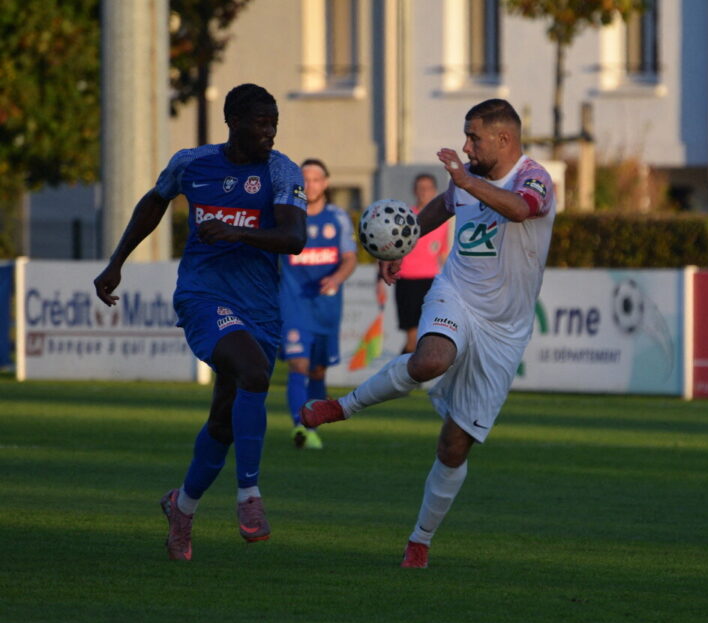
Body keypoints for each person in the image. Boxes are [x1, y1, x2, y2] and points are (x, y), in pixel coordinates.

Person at [300, 98, 556, 568]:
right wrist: (403, 243)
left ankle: (420, 539)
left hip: (504, 330)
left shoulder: (533, 177)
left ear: (504, 138)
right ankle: (342, 406)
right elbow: (443, 205)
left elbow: (522, 209)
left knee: (453, 445)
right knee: (430, 359)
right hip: (456, 293)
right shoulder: (468, 179)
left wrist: (467, 181)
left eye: (474, 137)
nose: (466, 146)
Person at [93, 84, 308, 561]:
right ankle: (249, 495)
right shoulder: (192, 163)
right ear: (232, 122)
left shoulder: (281, 171)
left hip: (260, 308)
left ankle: (182, 507)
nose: (270, 132)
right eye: (260, 124)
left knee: (223, 421)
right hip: (203, 297)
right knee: (254, 372)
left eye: (274, 123)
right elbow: (155, 201)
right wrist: (116, 261)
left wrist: (237, 232)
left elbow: (294, 237)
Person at [280, 159, 357, 450]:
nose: (310, 185)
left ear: (325, 184)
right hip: (293, 304)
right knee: (298, 364)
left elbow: (350, 258)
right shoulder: (286, 215)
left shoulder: (337, 218)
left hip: (326, 307)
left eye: (316, 180)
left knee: (318, 371)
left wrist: (336, 278)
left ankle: (311, 427)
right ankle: (299, 427)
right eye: (305, 179)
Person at [383, 173, 450, 354]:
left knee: (427, 337)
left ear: (434, 191)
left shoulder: (442, 221)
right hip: (407, 281)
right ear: (414, 191)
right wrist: (380, 279)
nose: (424, 192)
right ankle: (402, 369)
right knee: (412, 340)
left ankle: (413, 370)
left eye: (428, 189)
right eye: (420, 188)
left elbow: (442, 252)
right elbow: (389, 248)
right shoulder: (405, 217)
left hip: (431, 282)